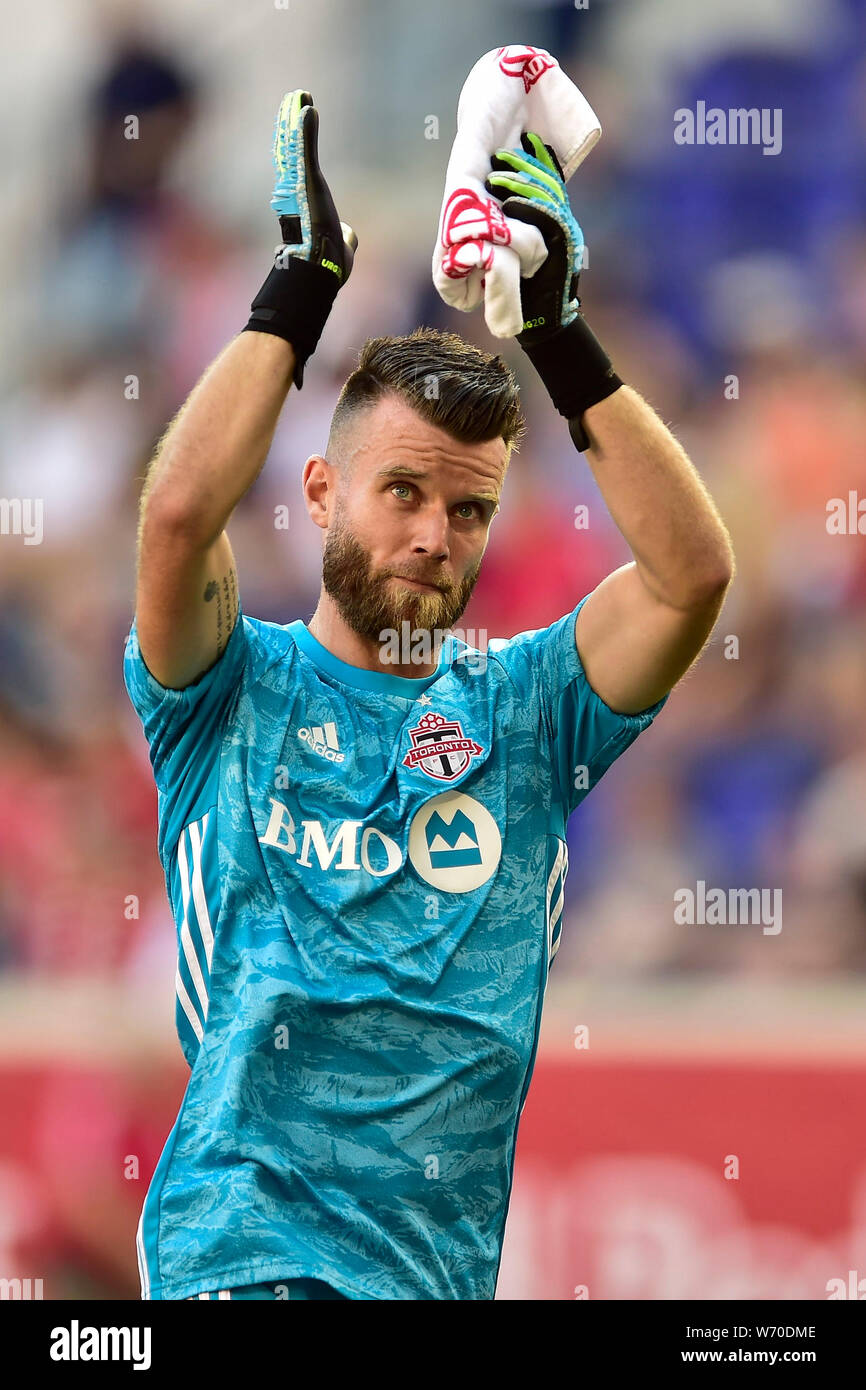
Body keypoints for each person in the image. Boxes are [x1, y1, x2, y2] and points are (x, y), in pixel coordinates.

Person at [124, 90, 733, 1301]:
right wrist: (295, 295)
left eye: (467, 509)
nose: (432, 535)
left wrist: (559, 333)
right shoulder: (224, 689)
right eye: (399, 490)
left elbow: (690, 578)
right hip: (236, 1260)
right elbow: (179, 516)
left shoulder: (527, 708)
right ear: (319, 490)